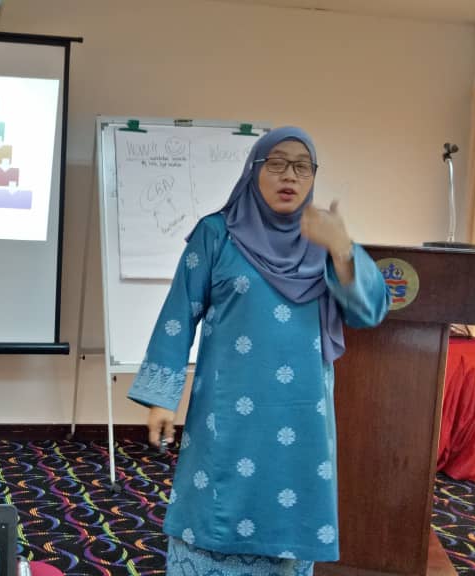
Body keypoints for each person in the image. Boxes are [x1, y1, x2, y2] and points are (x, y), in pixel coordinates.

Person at [127, 126, 389, 575]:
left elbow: (370, 312)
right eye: (277, 163)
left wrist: (343, 249)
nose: (290, 175)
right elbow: (178, 314)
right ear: (253, 170)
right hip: (227, 414)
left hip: (302, 416)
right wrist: (161, 398)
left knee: (290, 509)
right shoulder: (216, 234)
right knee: (216, 508)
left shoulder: (326, 241)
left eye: (302, 167)